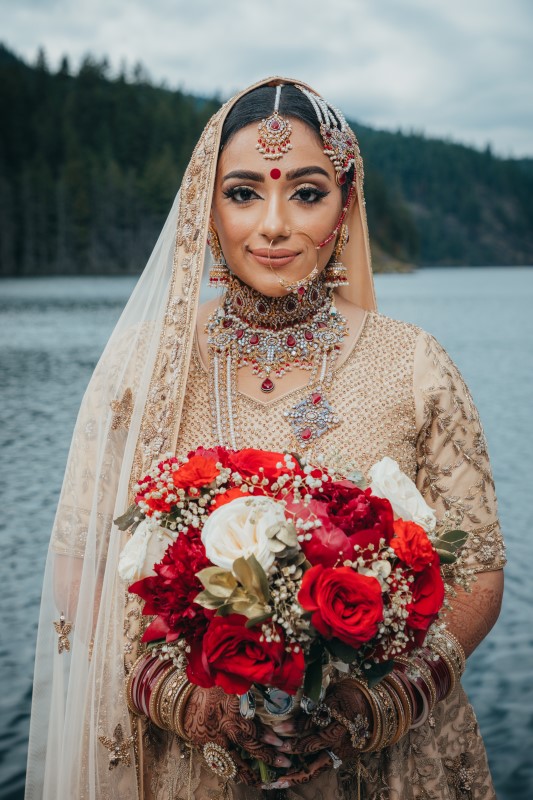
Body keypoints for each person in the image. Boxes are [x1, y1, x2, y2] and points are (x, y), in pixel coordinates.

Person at [25, 77, 506, 800]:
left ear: (345, 206)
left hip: (378, 763)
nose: (273, 225)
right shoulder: (142, 366)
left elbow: (478, 572)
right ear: (204, 208)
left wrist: (373, 704)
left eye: (306, 193)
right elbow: (79, 562)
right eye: (243, 193)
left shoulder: (413, 364)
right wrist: (187, 700)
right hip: (187, 760)